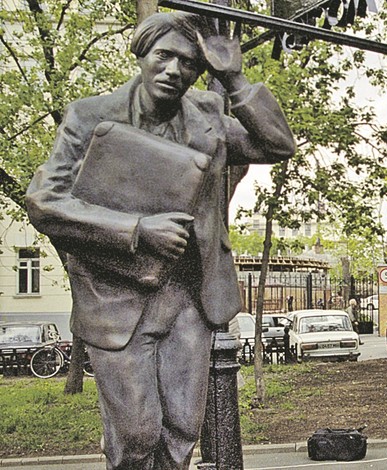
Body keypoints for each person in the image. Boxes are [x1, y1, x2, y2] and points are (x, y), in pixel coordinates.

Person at [24, 12, 295, 470]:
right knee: (137, 434)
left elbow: (277, 145)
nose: (174, 70)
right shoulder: (92, 115)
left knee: (182, 433)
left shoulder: (208, 117)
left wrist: (232, 78)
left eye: (188, 63)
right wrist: (137, 231)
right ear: (142, 56)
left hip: (190, 297)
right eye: (164, 56)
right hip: (115, 295)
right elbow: (45, 202)